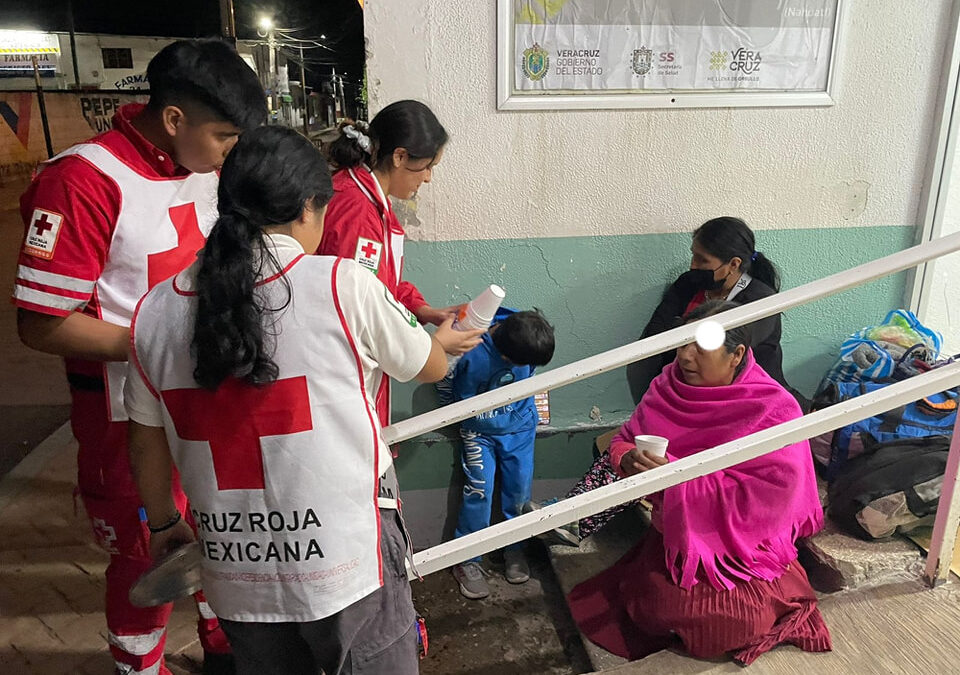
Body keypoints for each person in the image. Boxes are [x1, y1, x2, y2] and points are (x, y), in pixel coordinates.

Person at [126, 125, 464, 675]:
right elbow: (428, 364)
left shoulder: (154, 311)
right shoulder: (341, 283)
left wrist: (164, 523)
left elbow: (142, 431)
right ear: (309, 206)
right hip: (346, 564)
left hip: (236, 574)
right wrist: (440, 342)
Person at [12, 39, 266, 675]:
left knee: (221, 531)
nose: (230, 153)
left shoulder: (201, 168)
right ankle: (139, 665)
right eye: (224, 135)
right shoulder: (83, 179)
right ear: (175, 119)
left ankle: (223, 650)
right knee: (144, 552)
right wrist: (154, 346)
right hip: (126, 414)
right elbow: (41, 325)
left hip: (202, 400)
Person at [567, 301, 830, 665]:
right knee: (656, 609)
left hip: (741, 548)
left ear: (736, 354)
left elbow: (774, 496)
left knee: (731, 623)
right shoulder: (666, 387)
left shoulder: (773, 408)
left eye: (701, 346)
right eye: (682, 343)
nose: (686, 357)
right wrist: (626, 458)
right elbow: (623, 439)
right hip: (675, 534)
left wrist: (677, 476)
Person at [320, 100, 475, 429]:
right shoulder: (356, 208)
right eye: (428, 166)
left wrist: (423, 310)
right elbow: (356, 307)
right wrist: (433, 348)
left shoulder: (372, 201)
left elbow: (381, 282)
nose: (429, 178)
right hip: (343, 374)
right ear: (400, 156)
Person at [626, 216, 807, 410]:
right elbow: (655, 333)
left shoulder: (760, 302)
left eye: (702, 260)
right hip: (685, 392)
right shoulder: (688, 283)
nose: (693, 265)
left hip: (747, 398)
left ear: (733, 265)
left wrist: (680, 330)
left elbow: (722, 353)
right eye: (693, 256)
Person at [448, 309, 556, 599]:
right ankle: (468, 559)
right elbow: (448, 387)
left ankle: (515, 548)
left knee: (519, 491)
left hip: (519, 429)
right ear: (505, 356)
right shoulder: (471, 352)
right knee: (479, 492)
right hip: (478, 432)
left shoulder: (527, 339)